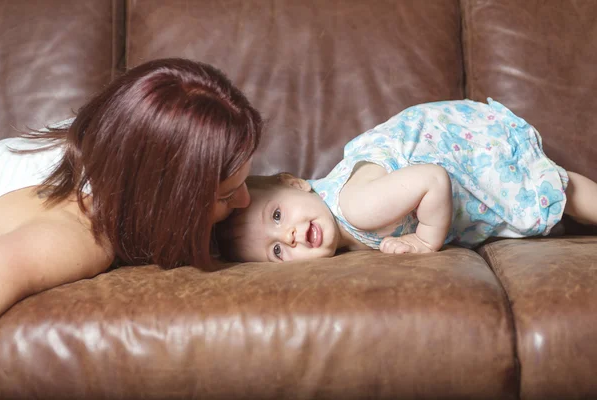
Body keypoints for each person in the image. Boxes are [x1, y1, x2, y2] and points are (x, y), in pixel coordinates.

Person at [0, 58, 262, 318]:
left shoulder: (106, 135)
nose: (245, 201)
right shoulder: (81, 236)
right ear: (163, 201)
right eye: (227, 196)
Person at [215, 98, 597, 263]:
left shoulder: (356, 206)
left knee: (556, 192)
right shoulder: (340, 220)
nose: (290, 237)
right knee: (558, 189)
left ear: (295, 182)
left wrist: (425, 240)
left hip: (458, 150)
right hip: (444, 132)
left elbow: (433, 178)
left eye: (277, 216)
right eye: (277, 252)